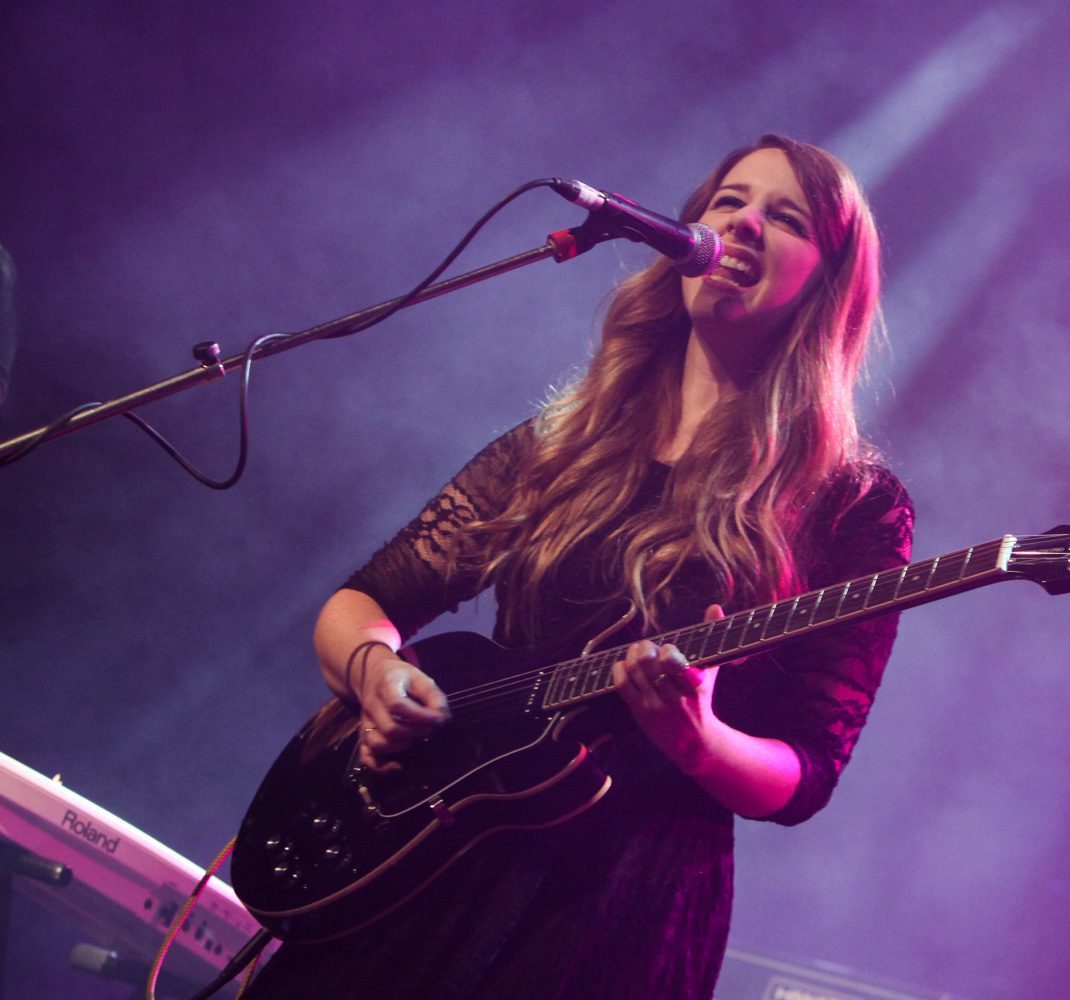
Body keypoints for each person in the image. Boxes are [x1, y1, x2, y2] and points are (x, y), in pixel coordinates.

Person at [242, 134, 913, 999]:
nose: (744, 224)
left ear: (825, 282)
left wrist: (698, 741)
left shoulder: (851, 503)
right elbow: (365, 599)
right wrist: (374, 672)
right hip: (422, 854)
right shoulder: (563, 441)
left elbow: (806, 771)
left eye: (784, 219)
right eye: (727, 202)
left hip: (613, 899)